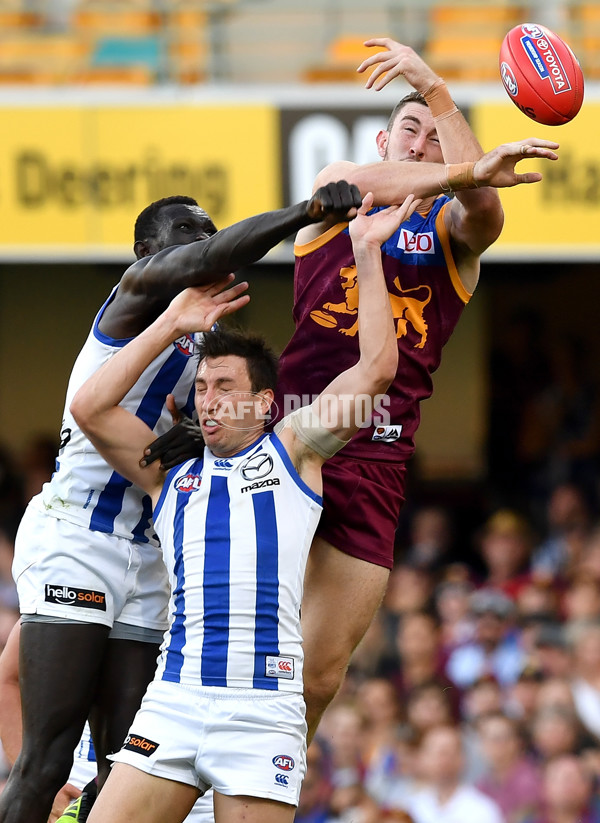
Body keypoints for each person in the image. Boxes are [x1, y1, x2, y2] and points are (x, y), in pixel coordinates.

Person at [0, 181, 364, 823]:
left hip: (148, 549)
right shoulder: (137, 297)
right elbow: (205, 264)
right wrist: (305, 215)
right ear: (146, 252)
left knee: (121, 766)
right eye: (188, 235)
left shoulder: (204, 347)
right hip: (78, 535)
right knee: (50, 759)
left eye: (208, 231)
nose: (204, 246)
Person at [69, 194, 418, 823]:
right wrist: (173, 324)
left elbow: (375, 372)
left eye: (225, 387)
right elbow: (90, 406)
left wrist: (366, 252)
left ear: (265, 403)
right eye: (201, 388)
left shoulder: (295, 450)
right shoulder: (167, 471)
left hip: (261, 713)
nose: (208, 401)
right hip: (173, 700)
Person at [269, 37, 560, 739]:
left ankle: (269, 789)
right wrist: (465, 162)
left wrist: (435, 89)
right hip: (286, 440)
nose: (424, 144)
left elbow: (485, 209)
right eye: (409, 129)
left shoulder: (456, 233)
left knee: (320, 676)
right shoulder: (340, 187)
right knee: (242, 641)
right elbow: (359, 181)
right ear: (382, 137)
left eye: (436, 138)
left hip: (376, 459)